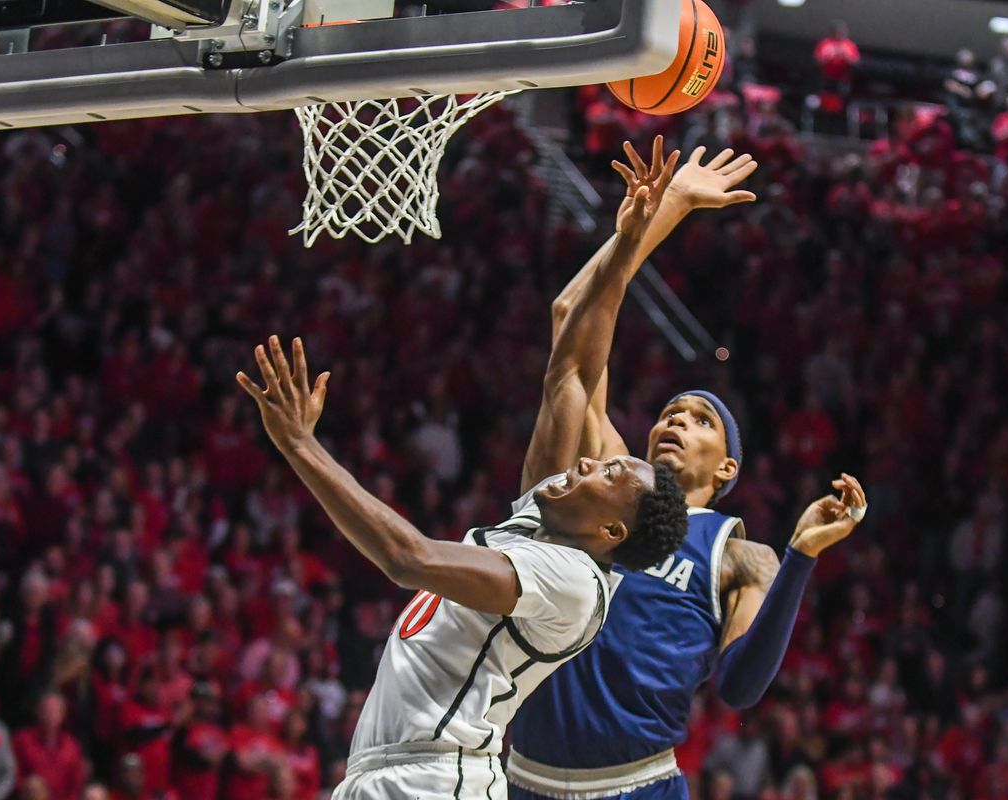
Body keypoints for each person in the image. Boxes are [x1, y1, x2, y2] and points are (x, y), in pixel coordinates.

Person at [234, 140, 693, 798]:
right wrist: (628, 239)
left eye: (610, 477)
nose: (591, 461)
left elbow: (407, 557)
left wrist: (300, 445)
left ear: (612, 532)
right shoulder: (540, 524)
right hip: (391, 775)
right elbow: (568, 364)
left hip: (435, 781)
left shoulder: (572, 580)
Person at [508, 140, 868, 800]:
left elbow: (740, 687)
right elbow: (571, 316)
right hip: (521, 778)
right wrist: (658, 213)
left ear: (728, 465)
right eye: (672, 411)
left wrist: (800, 559)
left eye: (700, 418)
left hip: (634, 787)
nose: (676, 420)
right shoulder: (606, 484)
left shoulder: (739, 554)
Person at [11, 692, 86, 800]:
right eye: (47, 710)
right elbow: (14, 776)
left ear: (63, 715)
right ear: (38, 712)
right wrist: (28, 788)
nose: (50, 715)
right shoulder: (22, 740)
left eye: (55, 711)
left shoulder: (72, 747)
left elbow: (76, 786)